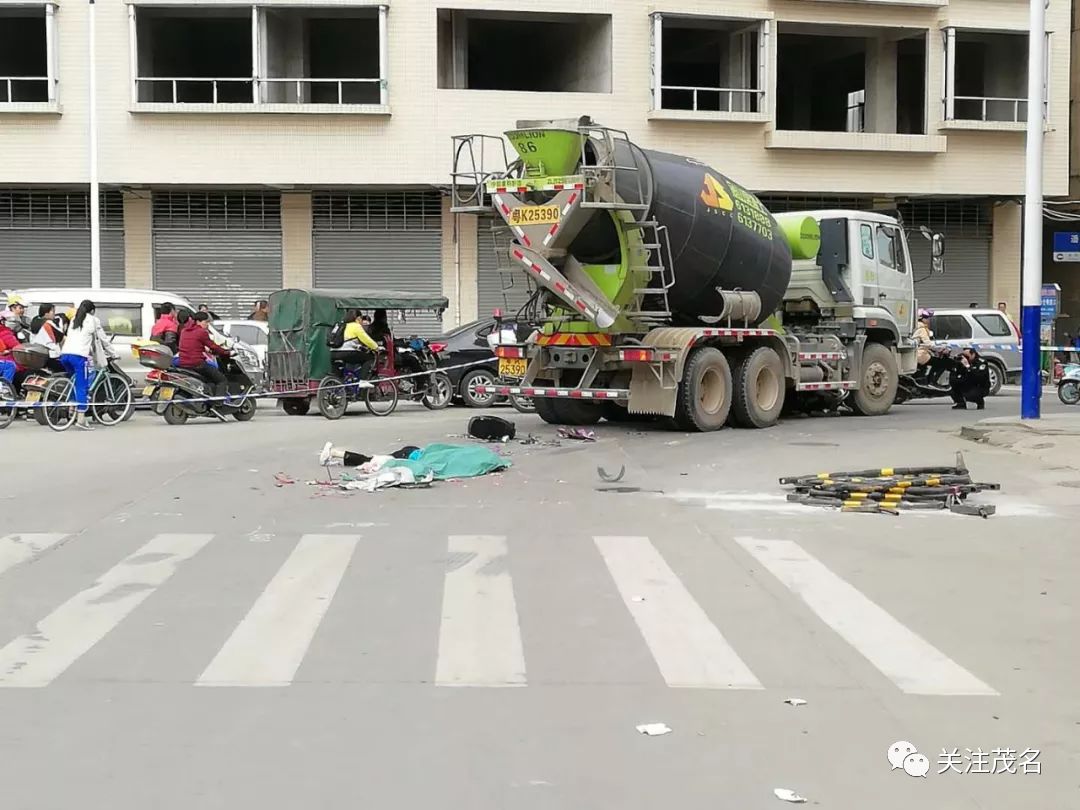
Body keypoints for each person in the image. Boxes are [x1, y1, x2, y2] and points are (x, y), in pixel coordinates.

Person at [59, 299, 119, 430]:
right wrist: (113, 353)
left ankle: (71, 407)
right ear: (92, 311)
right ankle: (81, 419)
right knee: (82, 386)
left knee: (74, 381)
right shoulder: (93, 320)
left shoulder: (75, 319)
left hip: (65, 355)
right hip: (79, 357)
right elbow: (103, 339)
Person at [178, 311, 231, 402]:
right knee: (222, 380)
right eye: (206, 322)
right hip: (197, 364)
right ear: (198, 321)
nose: (207, 325)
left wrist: (206, 349)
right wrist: (226, 352)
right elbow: (213, 346)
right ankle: (218, 403)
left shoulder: (184, 331)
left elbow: (193, 345)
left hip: (183, 363)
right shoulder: (201, 332)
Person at [30, 303, 64, 370]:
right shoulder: (48, 324)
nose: (54, 314)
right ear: (46, 313)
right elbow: (60, 336)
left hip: (36, 353)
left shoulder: (34, 321)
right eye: (53, 311)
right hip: (49, 355)